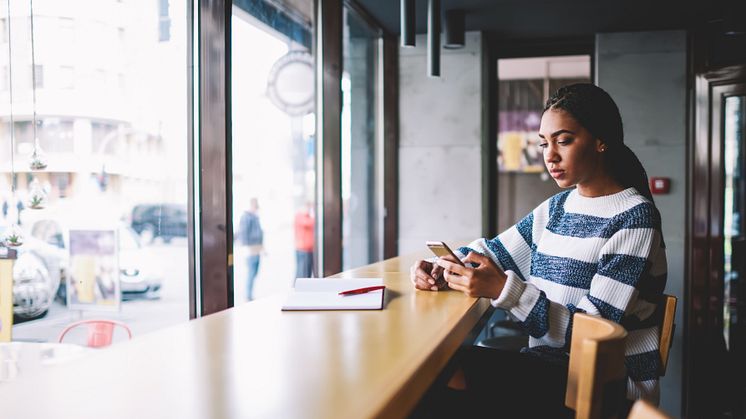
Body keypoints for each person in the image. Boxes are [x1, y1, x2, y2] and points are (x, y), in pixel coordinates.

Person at [410, 83, 667, 417]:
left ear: (602, 140)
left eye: (563, 140)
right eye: (544, 143)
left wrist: (506, 291)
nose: (550, 155)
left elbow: (593, 339)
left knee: (436, 378)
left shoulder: (635, 218)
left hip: (604, 385)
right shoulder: (558, 208)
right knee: (436, 370)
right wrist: (441, 266)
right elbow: (493, 252)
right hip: (549, 369)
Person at [239, 197, 263, 301]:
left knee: (254, 272)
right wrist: (247, 247)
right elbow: (243, 234)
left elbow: (259, 234)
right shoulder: (246, 217)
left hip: (256, 249)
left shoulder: (255, 217)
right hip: (250, 249)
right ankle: (248, 295)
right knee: (251, 272)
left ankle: (249, 294)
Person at [294, 202, 314, 278]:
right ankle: (297, 288)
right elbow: (307, 223)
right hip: (302, 249)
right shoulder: (300, 216)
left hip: (309, 249)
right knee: (302, 272)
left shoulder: (307, 216)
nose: (309, 209)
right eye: (308, 207)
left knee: (307, 272)